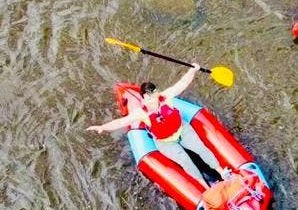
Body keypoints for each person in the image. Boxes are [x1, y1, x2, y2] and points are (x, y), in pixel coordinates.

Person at [87, 66, 226, 184]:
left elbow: (182, 84)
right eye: (148, 99)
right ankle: (204, 185)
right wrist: (102, 127)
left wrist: (192, 70)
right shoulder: (141, 113)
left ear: (157, 93)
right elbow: (121, 122)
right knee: (186, 161)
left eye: (153, 96)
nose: (151, 101)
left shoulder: (166, 97)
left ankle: (222, 172)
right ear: (143, 99)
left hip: (182, 130)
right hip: (166, 143)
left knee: (201, 149)